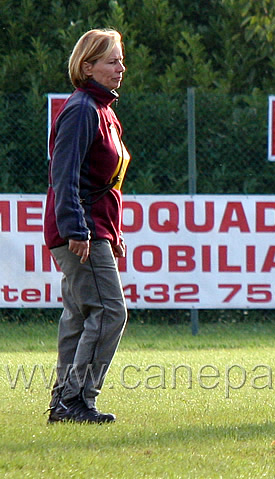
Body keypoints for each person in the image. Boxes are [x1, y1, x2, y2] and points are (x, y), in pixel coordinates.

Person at [44, 28, 130, 424]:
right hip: (80, 231)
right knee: (111, 311)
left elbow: (103, 182)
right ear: (87, 66)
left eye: (120, 59)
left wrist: (114, 232)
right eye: (112, 60)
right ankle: (76, 400)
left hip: (93, 228)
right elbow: (65, 176)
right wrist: (78, 229)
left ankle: (64, 403)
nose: (120, 67)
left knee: (79, 315)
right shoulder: (82, 108)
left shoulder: (102, 110)